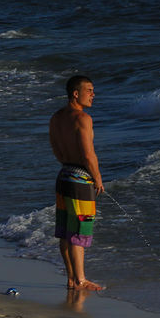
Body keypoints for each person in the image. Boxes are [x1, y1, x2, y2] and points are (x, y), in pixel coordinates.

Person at [49, 75, 106, 291]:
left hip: (63, 175)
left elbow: (56, 149)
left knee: (65, 231)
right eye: (89, 90)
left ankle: (72, 279)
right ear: (76, 93)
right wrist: (98, 178)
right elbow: (88, 155)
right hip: (80, 180)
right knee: (79, 230)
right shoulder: (83, 119)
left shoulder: (55, 118)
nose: (93, 94)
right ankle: (81, 280)